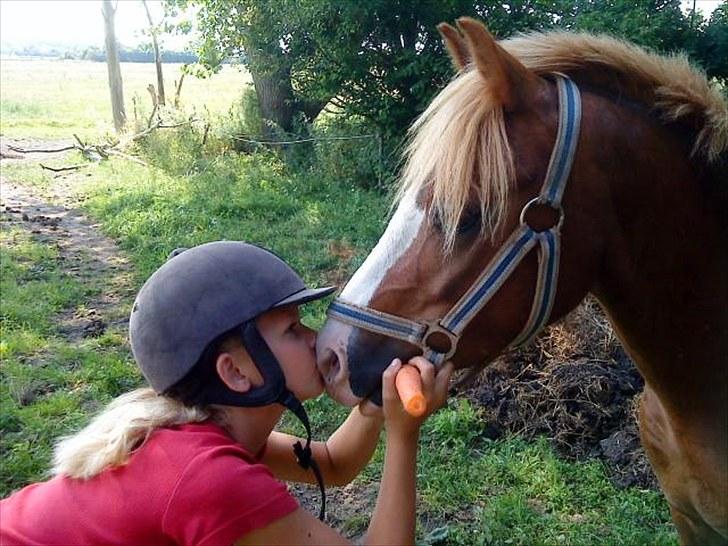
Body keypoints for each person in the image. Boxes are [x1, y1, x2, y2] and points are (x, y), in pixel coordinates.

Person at [0, 241, 453, 546]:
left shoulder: (207, 434)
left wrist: (374, 408)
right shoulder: (208, 479)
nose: (315, 338)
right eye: (293, 329)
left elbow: (333, 463)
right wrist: (403, 435)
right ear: (235, 372)